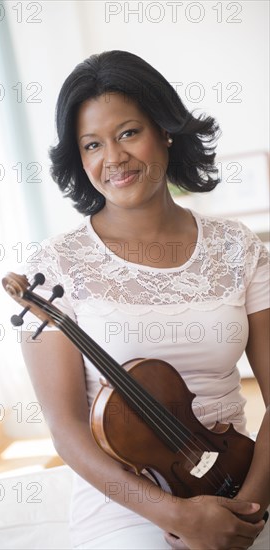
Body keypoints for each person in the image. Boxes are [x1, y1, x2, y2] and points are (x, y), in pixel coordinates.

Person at [19, 50, 269, 549]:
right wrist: (181, 516)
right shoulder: (57, 265)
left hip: (240, 477)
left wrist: (250, 510)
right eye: (92, 144)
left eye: (128, 133)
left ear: (165, 131)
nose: (113, 158)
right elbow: (67, 431)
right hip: (129, 501)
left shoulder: (238, 247)